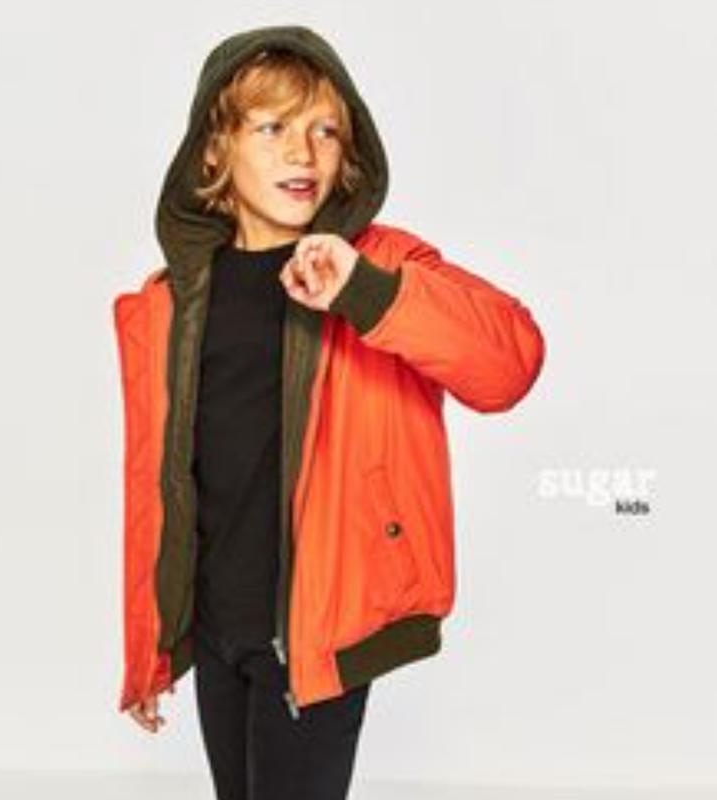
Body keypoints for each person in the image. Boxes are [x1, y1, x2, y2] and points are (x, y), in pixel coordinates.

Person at [112, 23, 546, 800]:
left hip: (316, 629)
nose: (302, 153)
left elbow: (508, 365)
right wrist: (152, 642)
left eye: (325, 132)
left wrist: (366, 294)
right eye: (272, 128)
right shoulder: (172, 302)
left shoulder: (378, 266)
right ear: (213, 150)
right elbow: (161, 484)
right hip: (218, 629)